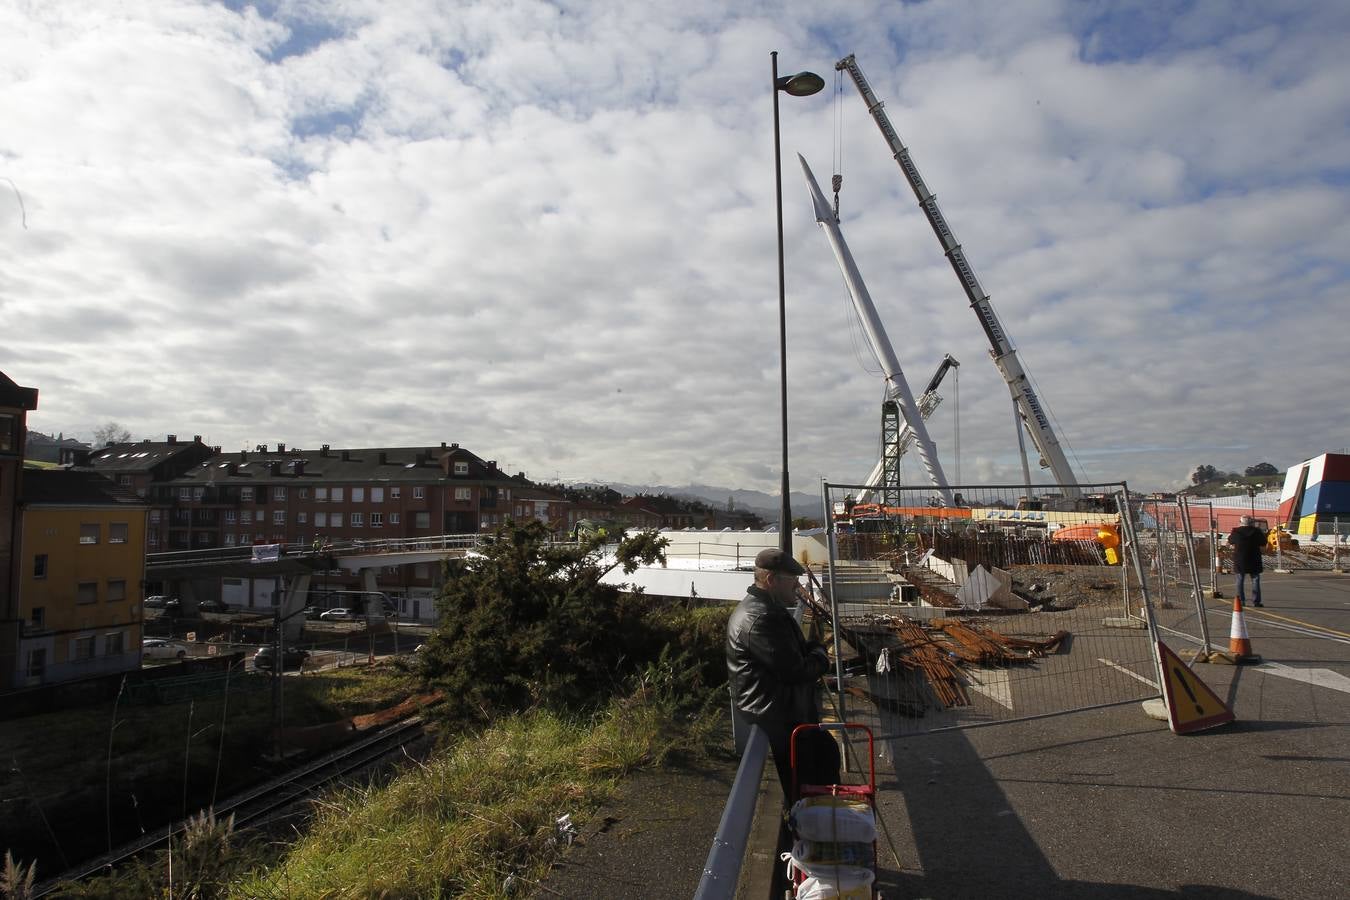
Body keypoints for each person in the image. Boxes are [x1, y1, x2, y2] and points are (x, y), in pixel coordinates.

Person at [726, 547, 839, 798]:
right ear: (771, 580)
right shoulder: (762, 618)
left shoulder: (765, 610)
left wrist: (812, 651)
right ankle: (806, 816)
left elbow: (795, 653)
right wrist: (821, 657)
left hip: (777, 707)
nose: (797, 586)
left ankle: (811, 813)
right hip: (778, 713)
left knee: (826, 753)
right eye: (792, 580)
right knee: (811, 778)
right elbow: (796, 670)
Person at [1228, 515, 1267, 607]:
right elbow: (1263, 542)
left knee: (1240, 580)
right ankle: (1256, 601)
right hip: (1254, 558)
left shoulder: (1236, 531)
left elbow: (1230, 540)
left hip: (1240, 559)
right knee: (1255, 580)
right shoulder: (1256, 531)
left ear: (1241, 522)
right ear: (1251, 522)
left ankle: (1241, 601)